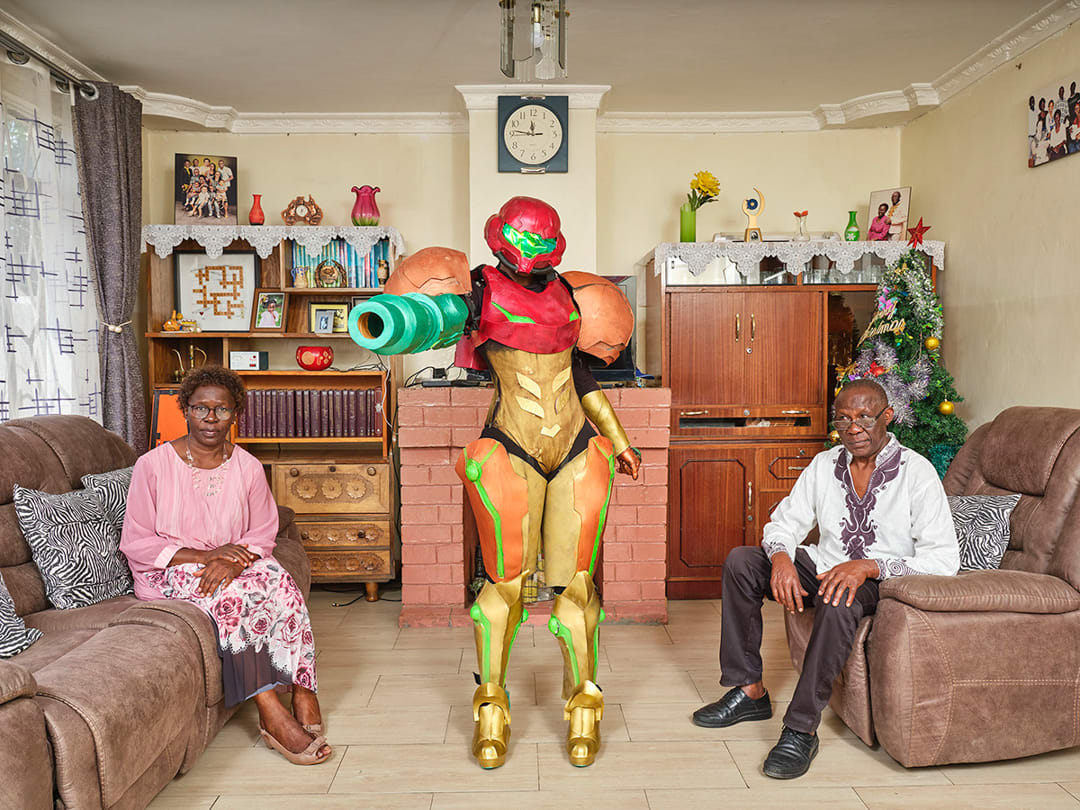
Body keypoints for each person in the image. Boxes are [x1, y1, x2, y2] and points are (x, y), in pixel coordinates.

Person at [349, 197, 639, 769]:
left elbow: (580, 375)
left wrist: (620, 438)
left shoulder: (569, 295)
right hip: (511, 446)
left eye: (541, 242)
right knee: (503, 587)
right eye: (523, 241)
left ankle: (584, 702)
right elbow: (433, 319)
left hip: (579, 447)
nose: (532, 253)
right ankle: (491, 704)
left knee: (577, 587)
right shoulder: (479, 291)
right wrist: (399, 319)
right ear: (502, 237)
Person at [692, 379, 958, 779]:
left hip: (878, 580)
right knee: (742, 562)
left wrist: (869, 566)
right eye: (844, 418)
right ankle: (749, 690)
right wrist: (781, 556)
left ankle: (800, 728)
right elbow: (784, 522)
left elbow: (943, 558)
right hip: (822, 564)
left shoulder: (916, 472)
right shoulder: (824, 464)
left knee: (839, 597)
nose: (854, 428)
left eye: (865, 417)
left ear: (887, 416)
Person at [120, 365, 331, 766]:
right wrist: (206, 557)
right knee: (233, 597)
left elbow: (264, 530)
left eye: (222, 409)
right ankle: (269, 709)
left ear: (237, 413)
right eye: (201, 409)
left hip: (233, 560)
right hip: (169, 569)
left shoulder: (247, 466)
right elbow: (138, 540)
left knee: (279, 581)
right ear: (185, 410)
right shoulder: (152, 465)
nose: (211, 419)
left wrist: (233, 561)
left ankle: (303, 685)